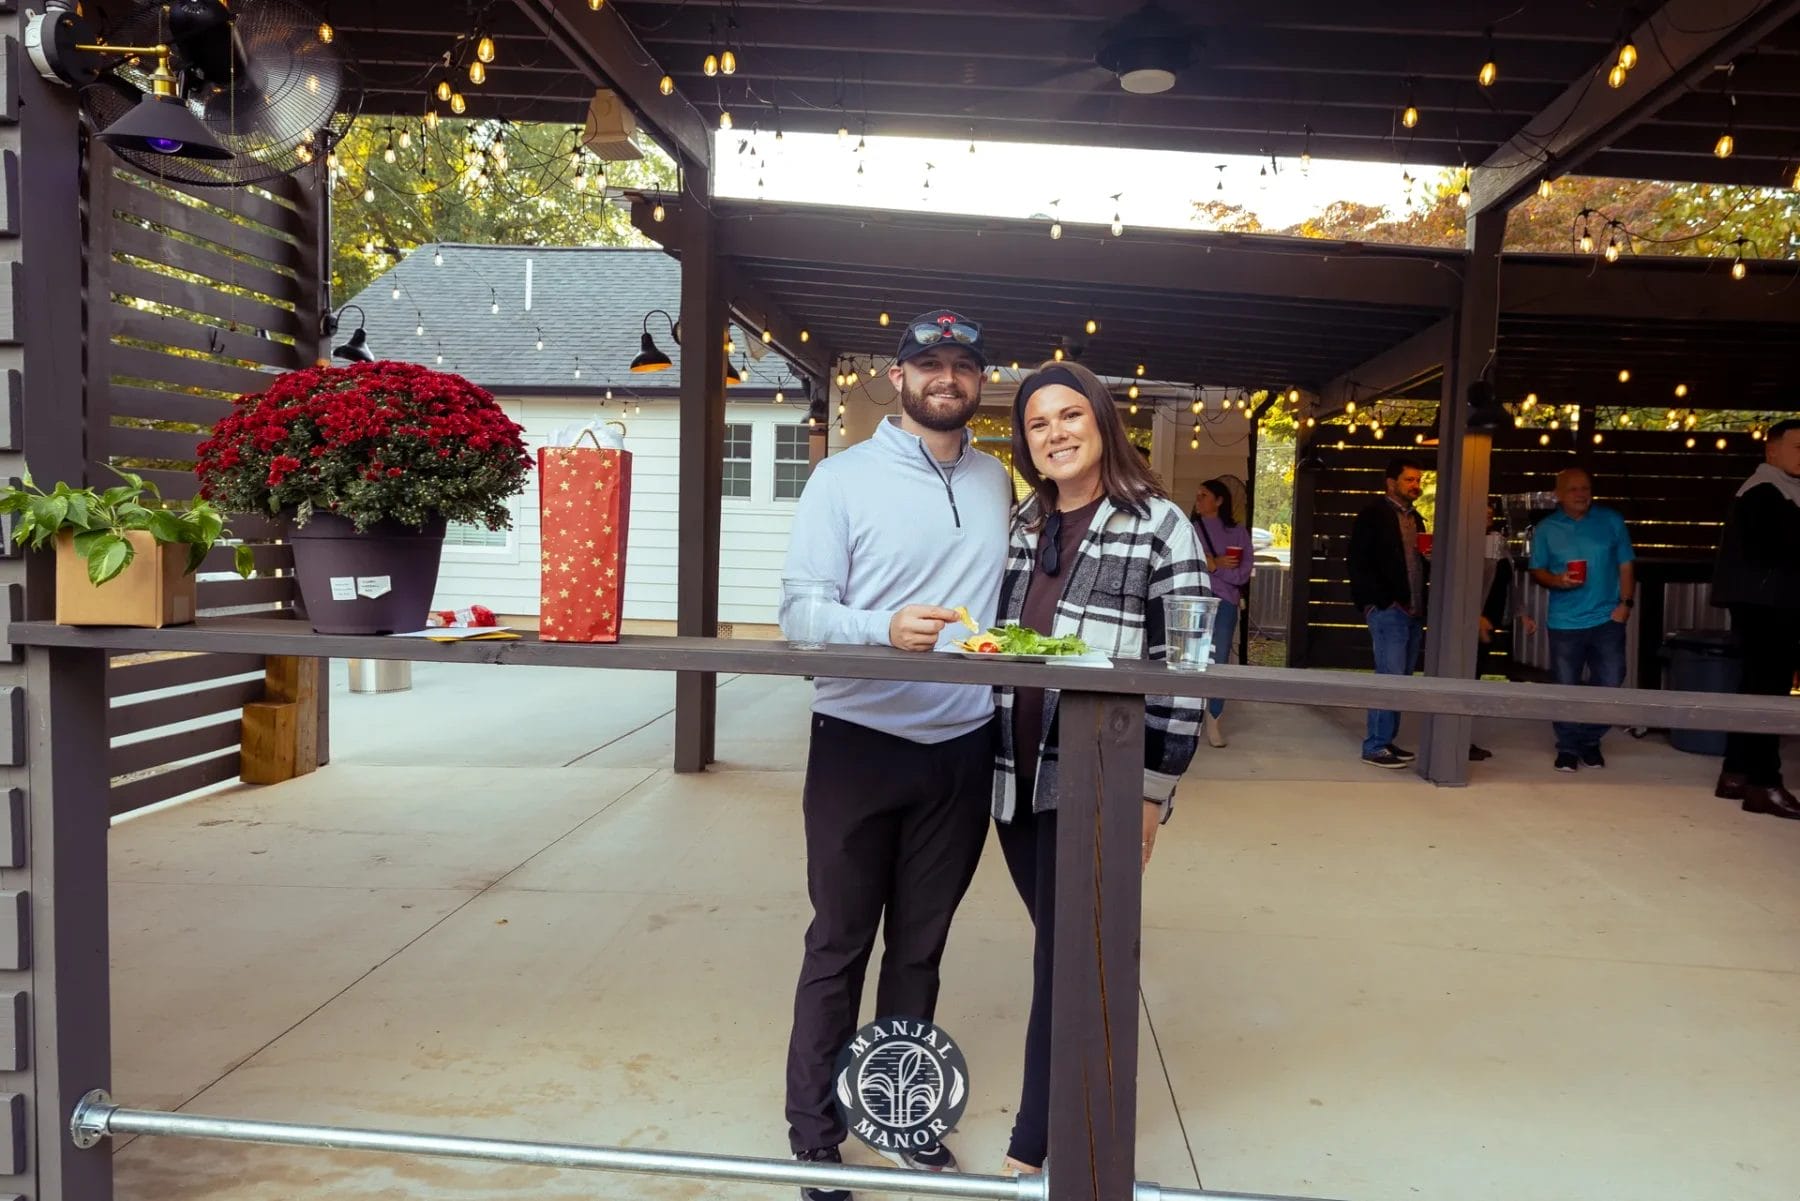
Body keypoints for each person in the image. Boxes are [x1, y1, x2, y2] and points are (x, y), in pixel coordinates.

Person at [777, 310, 1013, 1197]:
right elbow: (799, 612)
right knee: (839, 943)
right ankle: (814, 1135)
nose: (945, 377)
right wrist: (881, 628)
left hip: (962, 743)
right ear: (900, 376)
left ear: (979, 380)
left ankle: (900, 1116)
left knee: (920, 948)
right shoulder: (841, 480)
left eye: (962, 364)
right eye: (929, 364)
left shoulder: (997, 480)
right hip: (858, 742)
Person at [989, 360, 1207, 1179]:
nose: (1055, 433)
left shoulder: (1158, 524)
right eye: (1039, 423)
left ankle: (1036, 1139)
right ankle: (1067, 1112)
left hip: (1096, 780)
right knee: (1062, 940)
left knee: (1068, 954)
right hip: (1012, 774)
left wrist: (1151, 789)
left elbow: (1186, 667)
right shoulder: (1022, 522)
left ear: (1104, 421)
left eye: (1070, 415)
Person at [1710, 418, 1800, 818]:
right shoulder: (1765, 492)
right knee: (1768, 691)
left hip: (1767, 601)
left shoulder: (1779, 490)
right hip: (1767, 604)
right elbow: (1783, 548)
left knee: (1755, 686)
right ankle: (1764, 783)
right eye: (1799, 447)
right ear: (1772, 451)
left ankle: (1736, 773)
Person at [1527, 467, 1636, 773]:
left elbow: (1626, 566)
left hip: (1607, 617)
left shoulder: (1611, 520)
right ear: (1558, 494)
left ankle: (1589, 740)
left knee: (1611, 680)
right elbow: (1537, 570)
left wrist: (1625, 604)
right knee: (1565, 686)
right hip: (1565, 620)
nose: (1581, 494)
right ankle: (1568, 747)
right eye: (1573, 489)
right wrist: (1558, 580)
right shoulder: (1547, 529)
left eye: (1585, 488)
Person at [1347, 457, 1428, 769]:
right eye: (1409, 479)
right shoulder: (1373, 515)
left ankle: (1387, 739)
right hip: (1389, 609)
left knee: (1402, 679)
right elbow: (1357, 561)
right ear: (1391, 482)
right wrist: (1379, 601)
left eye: (1418, 479)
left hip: (1413, 609)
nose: (1416, 485)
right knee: (1389, 676)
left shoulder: (1416, 519)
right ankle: (1375, 745)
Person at [1190, 477, 1253, 747]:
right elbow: (1191, 566)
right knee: (1193, 656)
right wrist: (1213, 565)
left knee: (1220, 657)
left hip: (1226, 602)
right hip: (1197, 598)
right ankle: (1190, 714)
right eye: (1198, 494)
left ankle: (1214, 718)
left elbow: (1241, 574)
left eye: (1204, 495)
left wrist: (1215, 567)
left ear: (1219, 500)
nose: (1199, 499)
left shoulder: (1237, 533)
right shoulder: (1191, 529)